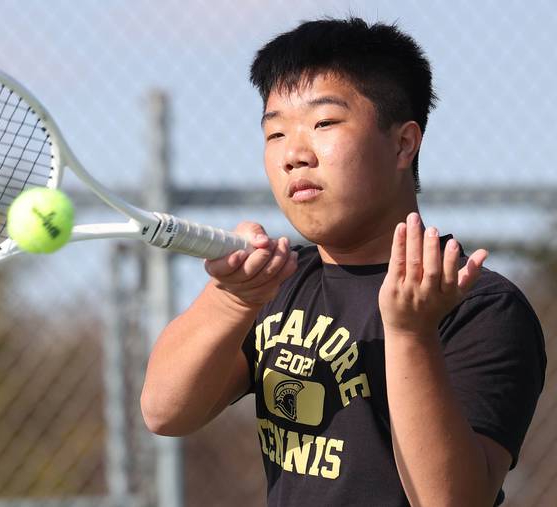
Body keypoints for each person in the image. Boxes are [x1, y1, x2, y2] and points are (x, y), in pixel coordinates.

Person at [140, 17, 546, 506]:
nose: (293, 154)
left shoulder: (477, 304)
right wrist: (230, 298)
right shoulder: (279, 285)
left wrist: (410, 333)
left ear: (403, 143)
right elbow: (165, 413)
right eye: (274, 134)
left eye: (324, 123)